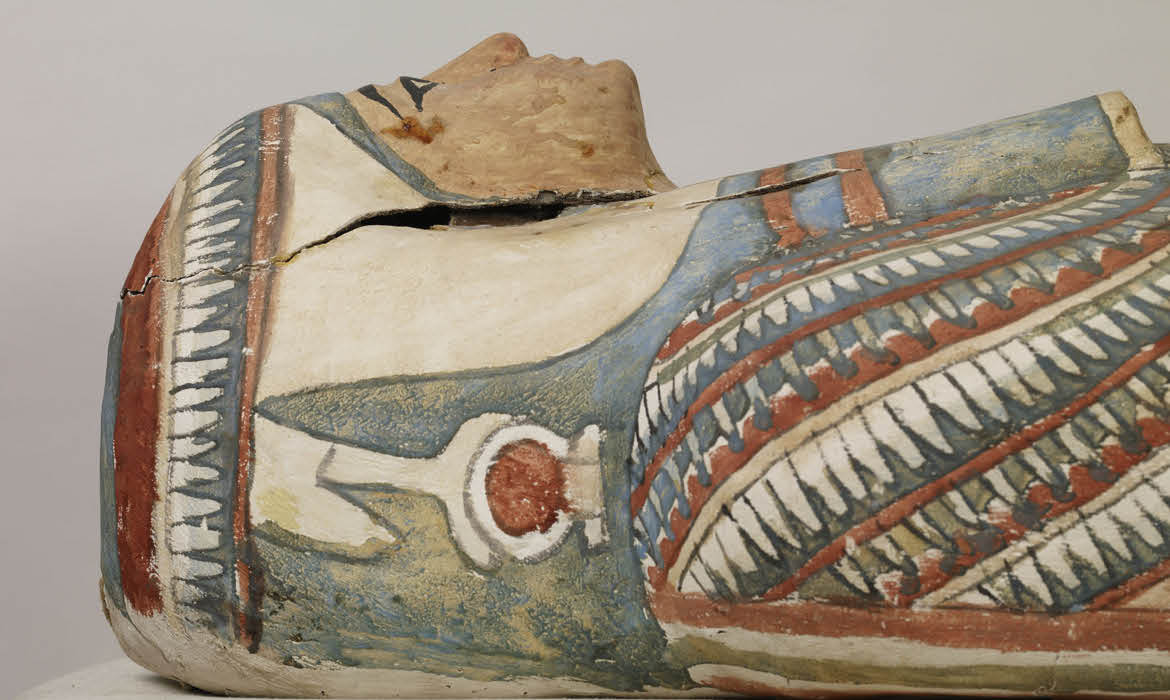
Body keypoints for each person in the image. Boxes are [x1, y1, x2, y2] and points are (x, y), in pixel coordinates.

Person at [101, 32, 1170, 696]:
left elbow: (1082, 153)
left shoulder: (725, 333)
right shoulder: (728, 389)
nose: (497, 50)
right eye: (411, 102)